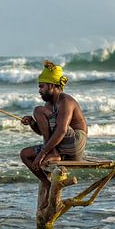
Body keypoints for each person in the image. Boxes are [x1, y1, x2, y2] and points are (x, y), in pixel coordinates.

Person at [20, 61, 87, 190]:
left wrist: (42, 153)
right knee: (24, 154)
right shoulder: (49, 106)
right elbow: (43, 132)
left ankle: (53, 152)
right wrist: (32, 123)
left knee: (37, 110)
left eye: (42, 86)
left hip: (75, 143)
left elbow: (61, 130)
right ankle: (46, 183)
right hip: (61, 146)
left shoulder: (65, 101)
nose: (39, 91)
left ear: (51, 85)